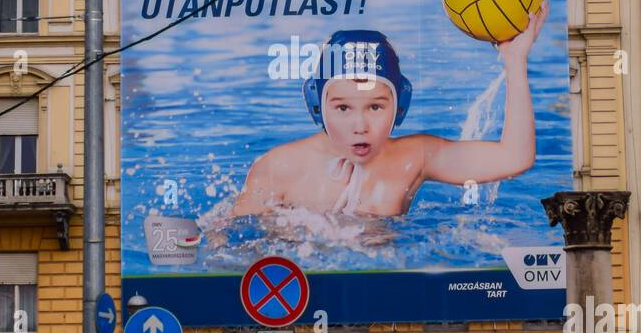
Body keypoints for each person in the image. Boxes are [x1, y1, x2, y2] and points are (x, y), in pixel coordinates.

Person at [232, 13, 547, 218]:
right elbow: (227, 245)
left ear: (400, 106)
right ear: (318, 105)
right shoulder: (279, 167)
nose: (360, 126)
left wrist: (515, 61)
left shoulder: (414, 157)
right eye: (343, 108)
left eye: (375, 107)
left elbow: (514, 158)